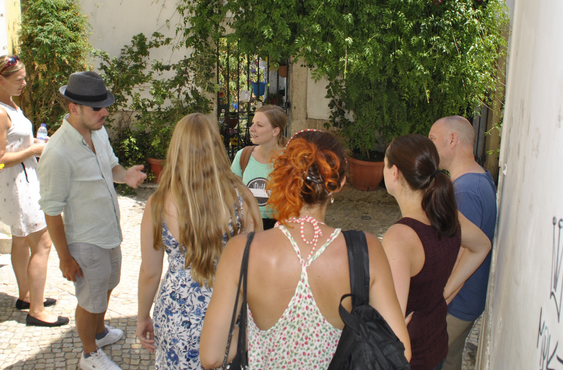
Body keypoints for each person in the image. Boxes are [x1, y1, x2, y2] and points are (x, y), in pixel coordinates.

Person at [200, 129, 411, 369]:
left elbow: (212, 356)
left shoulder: (241, 251)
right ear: (339, 183)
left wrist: (259, 336)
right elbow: (399, 350)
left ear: (282, 174)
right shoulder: (367, 249)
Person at [38, 71, 147, 370]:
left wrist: (125, 175)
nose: (105, 112)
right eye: (97, 108)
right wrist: (65, 258)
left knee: (109, 284)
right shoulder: (57, 153)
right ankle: (89, 354)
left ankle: (99, 333)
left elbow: (110, 165)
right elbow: (51, 210)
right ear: (74, 108)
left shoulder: (98, 132)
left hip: (109, 230)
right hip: (85, 240)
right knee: (90, 299)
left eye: (105, 105)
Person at [136, 113, 261, 369]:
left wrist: (142, 317)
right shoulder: (243, 198)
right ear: (216, 146)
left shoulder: (157, 203)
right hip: (230, 310)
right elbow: (255, 266)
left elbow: (150, 272)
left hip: (175, 312)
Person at [381, 134, 492, 370]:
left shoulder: (399, 238)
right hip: (436, 344)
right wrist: (443, 293)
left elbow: (393, 327)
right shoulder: (446, 213)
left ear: (394, 172)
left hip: (414, 358)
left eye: (385, 163)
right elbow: (481, 246)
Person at [0, 55, 65, 327]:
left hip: (22, 180)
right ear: (0, 80)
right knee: (42, 243)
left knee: (20, 239)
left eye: (24, 78)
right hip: (16, 184)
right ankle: (37, 310)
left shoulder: (8, 105)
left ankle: (26, 296)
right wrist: (34, 150)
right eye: (19, 79)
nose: (25, 83)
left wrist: (36, 145)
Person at [428, 116, 497, 370]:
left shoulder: (465, 190)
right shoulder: (477, 179)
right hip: (466, 302)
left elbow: (459, 256)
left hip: (456, 304)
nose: (429, 144)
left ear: (452, 140)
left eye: (433, 139)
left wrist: (435, 306)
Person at [231, 105, 287, 230]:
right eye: (252, 123)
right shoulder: (243, 156)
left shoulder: (290, 160)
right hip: (248, 225)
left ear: (275, 131)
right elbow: (233, 195)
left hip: (279, 228)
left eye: (259, 125)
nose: (251, 129)